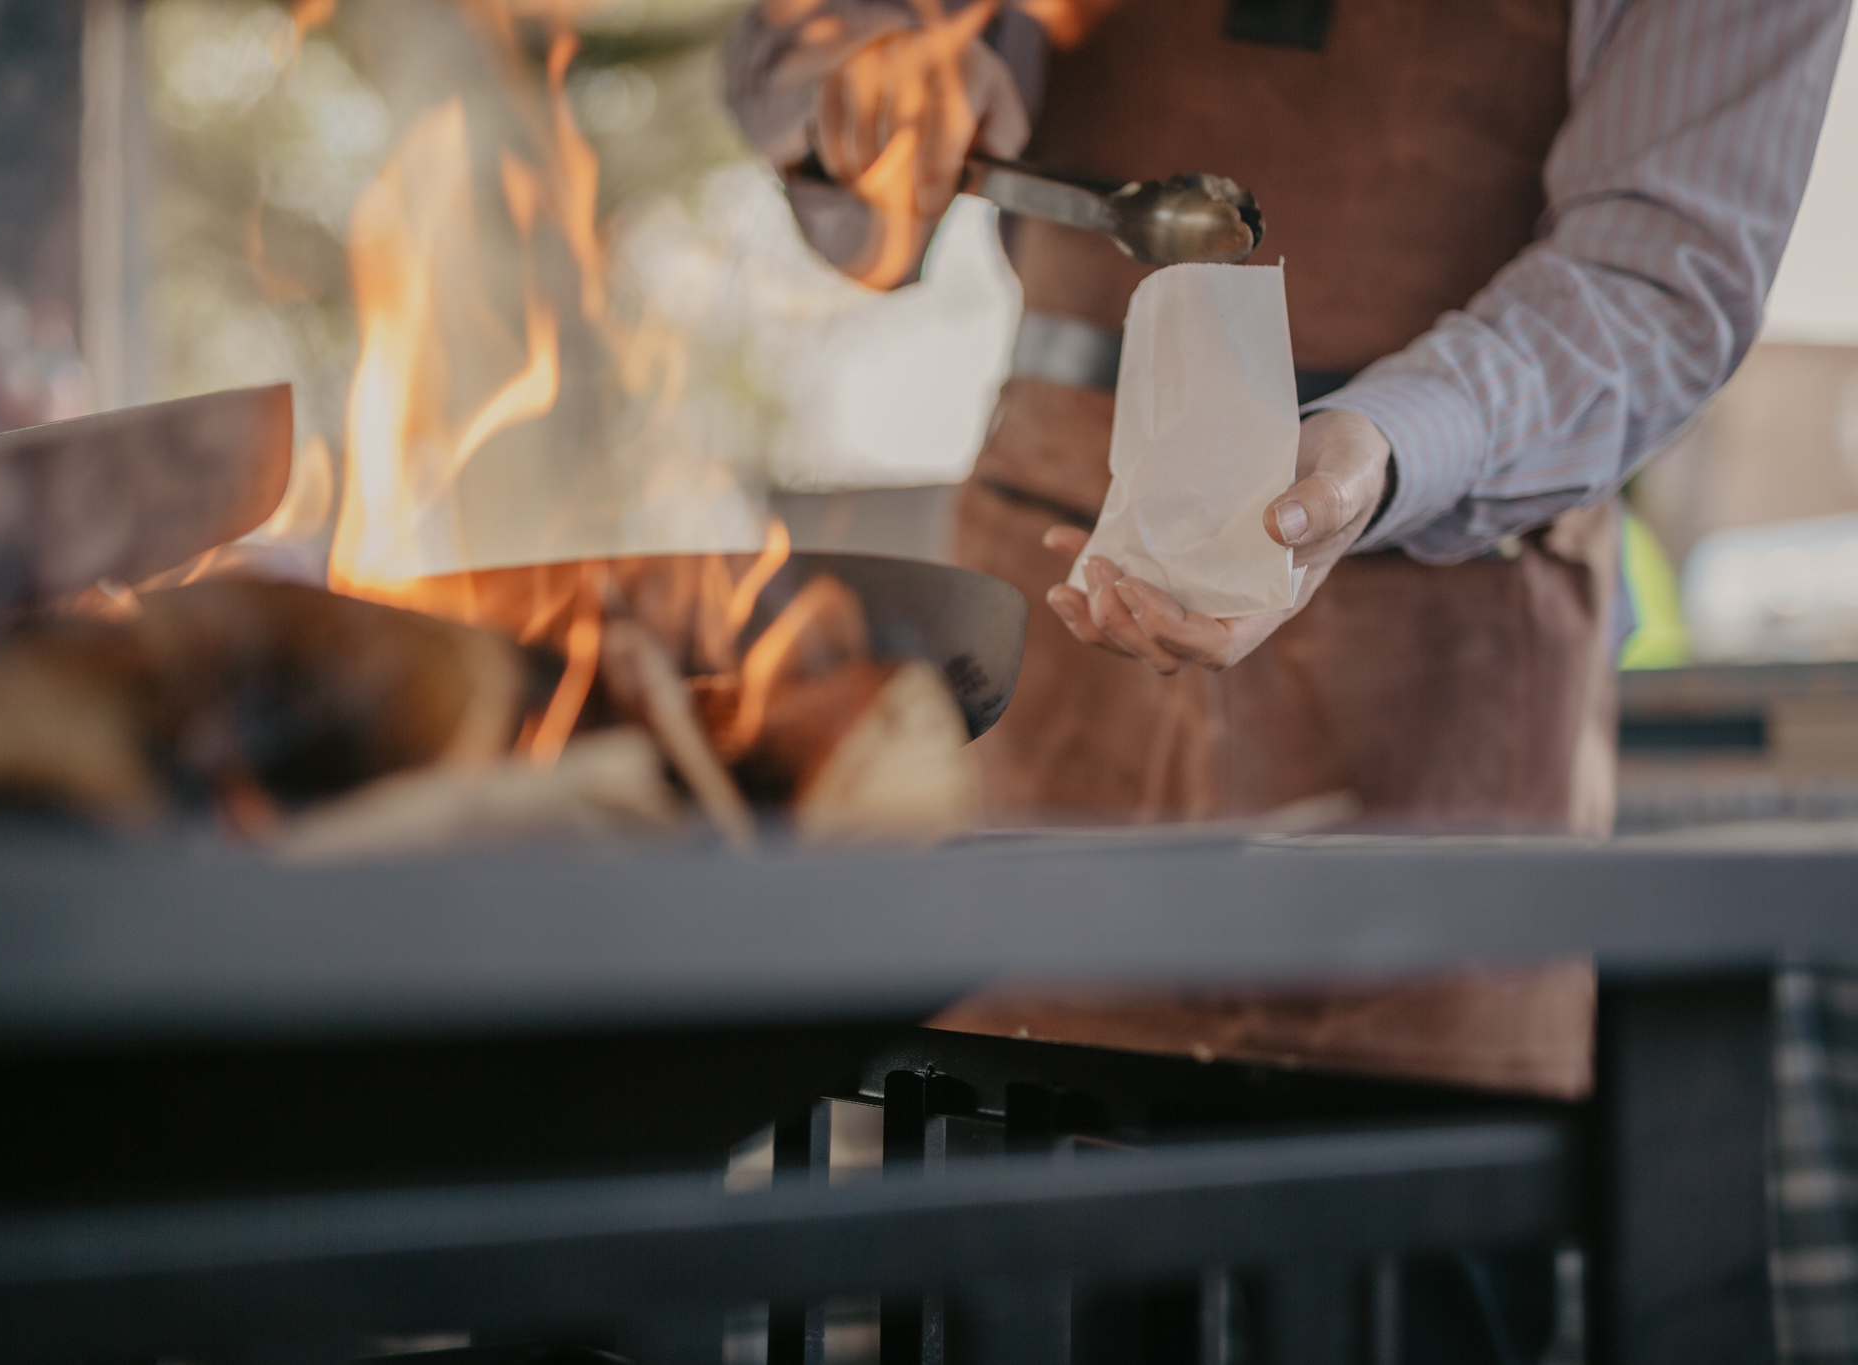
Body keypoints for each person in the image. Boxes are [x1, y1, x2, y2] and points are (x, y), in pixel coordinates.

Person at [728, 0, 1849, 1352]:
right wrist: (858, 88)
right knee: (1012, 1288)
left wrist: (1385, 446)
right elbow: (814, 97)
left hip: (1439, 687)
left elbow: (1658, 277)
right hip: (1058, 618)